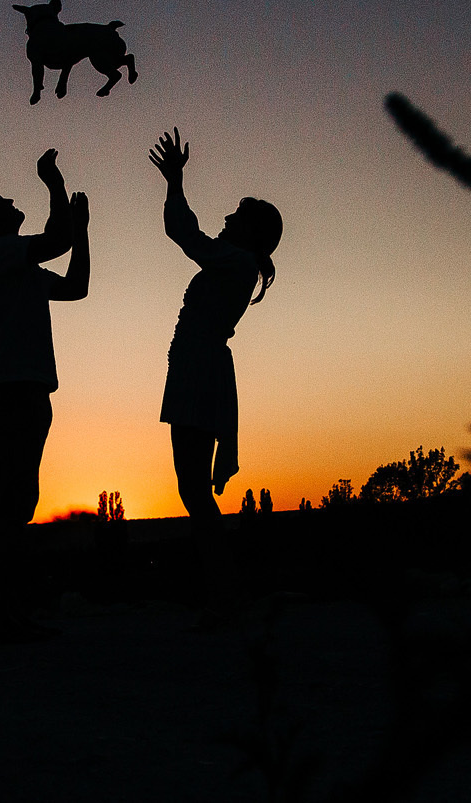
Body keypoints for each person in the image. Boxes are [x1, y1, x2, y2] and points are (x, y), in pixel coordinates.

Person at [0, 148, 89, 639]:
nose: (9, 198)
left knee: (16, 504)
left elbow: (76, 287)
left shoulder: (17, 264)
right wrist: (52, 182)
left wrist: (82, 230)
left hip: (23, 390)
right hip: (14, 391)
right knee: (10, 507)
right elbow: (56, 239)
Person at [147, 128, 281, 612]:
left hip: (199, 370)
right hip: (194, 367)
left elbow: (184, 234)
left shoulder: (238, 261)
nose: (227, 217)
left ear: (251, 232)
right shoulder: (239, 261)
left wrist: (175, 180)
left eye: (237, 216)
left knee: (194, 490)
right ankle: (223, 593)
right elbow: (187, 235)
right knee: (192, 489)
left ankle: (224, 596)